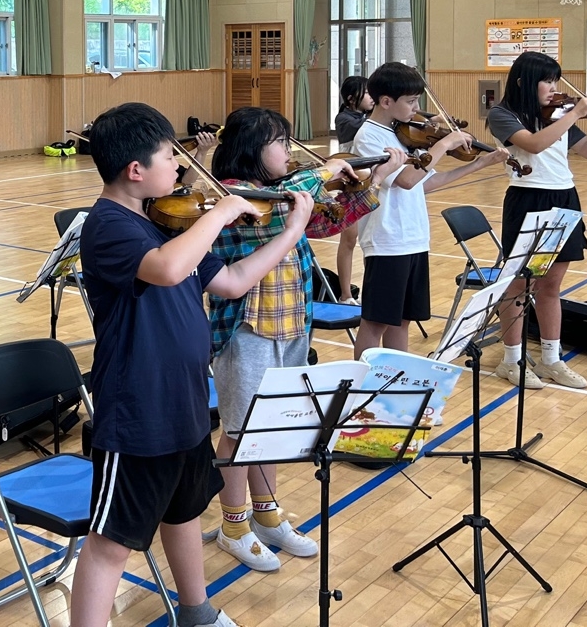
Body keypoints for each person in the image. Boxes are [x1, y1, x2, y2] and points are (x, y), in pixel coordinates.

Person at [70, 101, 315, 627]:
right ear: (136, 170)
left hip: (185, 396)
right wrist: (221, 213)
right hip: (137, 408)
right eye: (169, 156)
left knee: (183, 510)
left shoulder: (165, 220)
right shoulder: (108, 225)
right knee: (112, 542)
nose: (181, 165)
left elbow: (232, 282)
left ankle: (196, 611)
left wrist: (292, 231)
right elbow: (166, 270)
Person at [206, 107, 395, 573]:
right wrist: (324, 171)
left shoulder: (288, 195)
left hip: (291, 324)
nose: (289, 151)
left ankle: (267, 515)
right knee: (239, 431)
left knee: (268, 428)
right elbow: (277, 218)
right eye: (280, 142)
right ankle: (234, 526)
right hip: (248, 331)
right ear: (252, 149)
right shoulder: (233, 196)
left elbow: (324, 223)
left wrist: (369, 182)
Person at [485, 52, 587, 389]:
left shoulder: (559, 114)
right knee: (520, 286)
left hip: (564, 197)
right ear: (524, 82)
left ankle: (551, 359)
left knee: (551, 285)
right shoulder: (503, 114)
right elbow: (534, 144)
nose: (554, 88)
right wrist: (575, 113)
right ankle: (511, 361)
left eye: (555, 80)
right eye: (547, 81)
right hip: (529, 199)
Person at [351, 62, 511, 358]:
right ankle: (362, 381)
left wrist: (478, 164)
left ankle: (396, 377)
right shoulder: (369, 137)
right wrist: (445, 143)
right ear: (386, 101)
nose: (417, 109)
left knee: (403, 320)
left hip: (414, 238)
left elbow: (427, 183)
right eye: (411, 101)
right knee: (376, 321)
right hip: (387, 241)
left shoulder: (401, 134)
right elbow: (407, 180)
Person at [331, 76, 373, 303]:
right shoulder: (344, 119)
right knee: (349, 240)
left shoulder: (369, 117)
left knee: (371, 242)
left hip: (372, 184)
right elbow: (365, 127)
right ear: (350, 98)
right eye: (367, 93)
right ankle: (345, 294)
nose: (372, 98)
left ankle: (372, 292)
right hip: (352, 185)